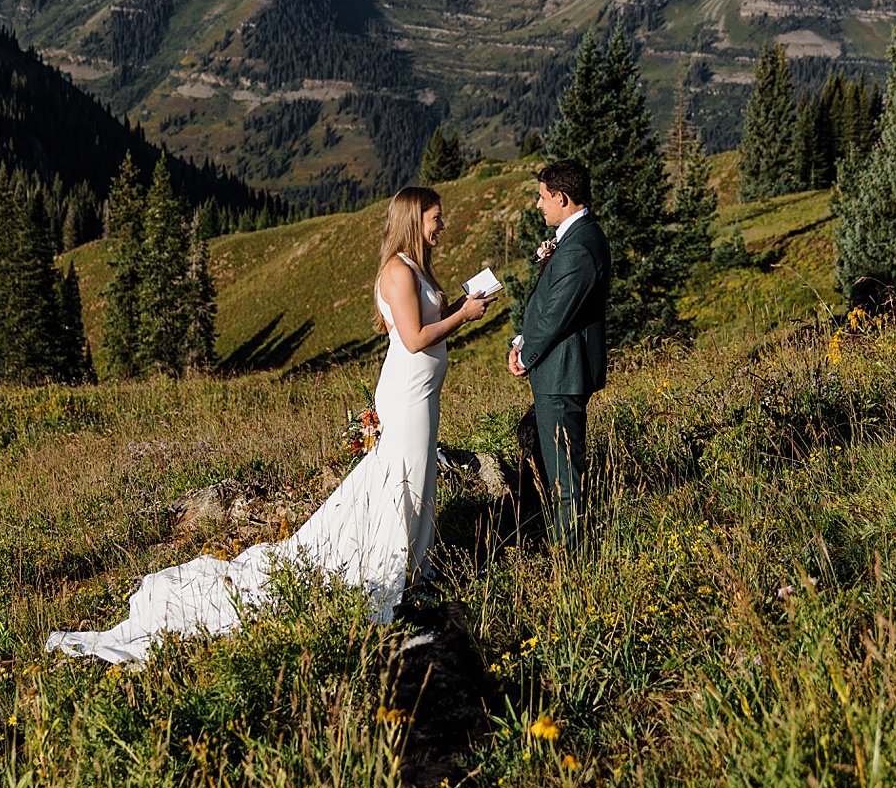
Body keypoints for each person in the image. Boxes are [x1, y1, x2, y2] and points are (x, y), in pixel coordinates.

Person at [47, 186, 492, 664]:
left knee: (416, 477)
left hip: (422, 396)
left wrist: (462, 309)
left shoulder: (416, 267)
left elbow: (429, 322)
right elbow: (413, 336)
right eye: (435, 218)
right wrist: (462, 315)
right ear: (413, 218)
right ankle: (392, 570)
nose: (441, 225)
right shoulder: (397, 270)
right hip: (407, 397)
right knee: (399, 478)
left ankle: (412, 566)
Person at [509, 159, 610, 548]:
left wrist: (525, 353)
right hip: (559, 368)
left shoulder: (580, 247)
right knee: (561, 468)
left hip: (561, 372)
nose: (539, 205)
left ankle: (571, 557)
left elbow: (555, 315)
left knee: (564, 475)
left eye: (543, 197)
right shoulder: (577, 239)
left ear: (562, 198)